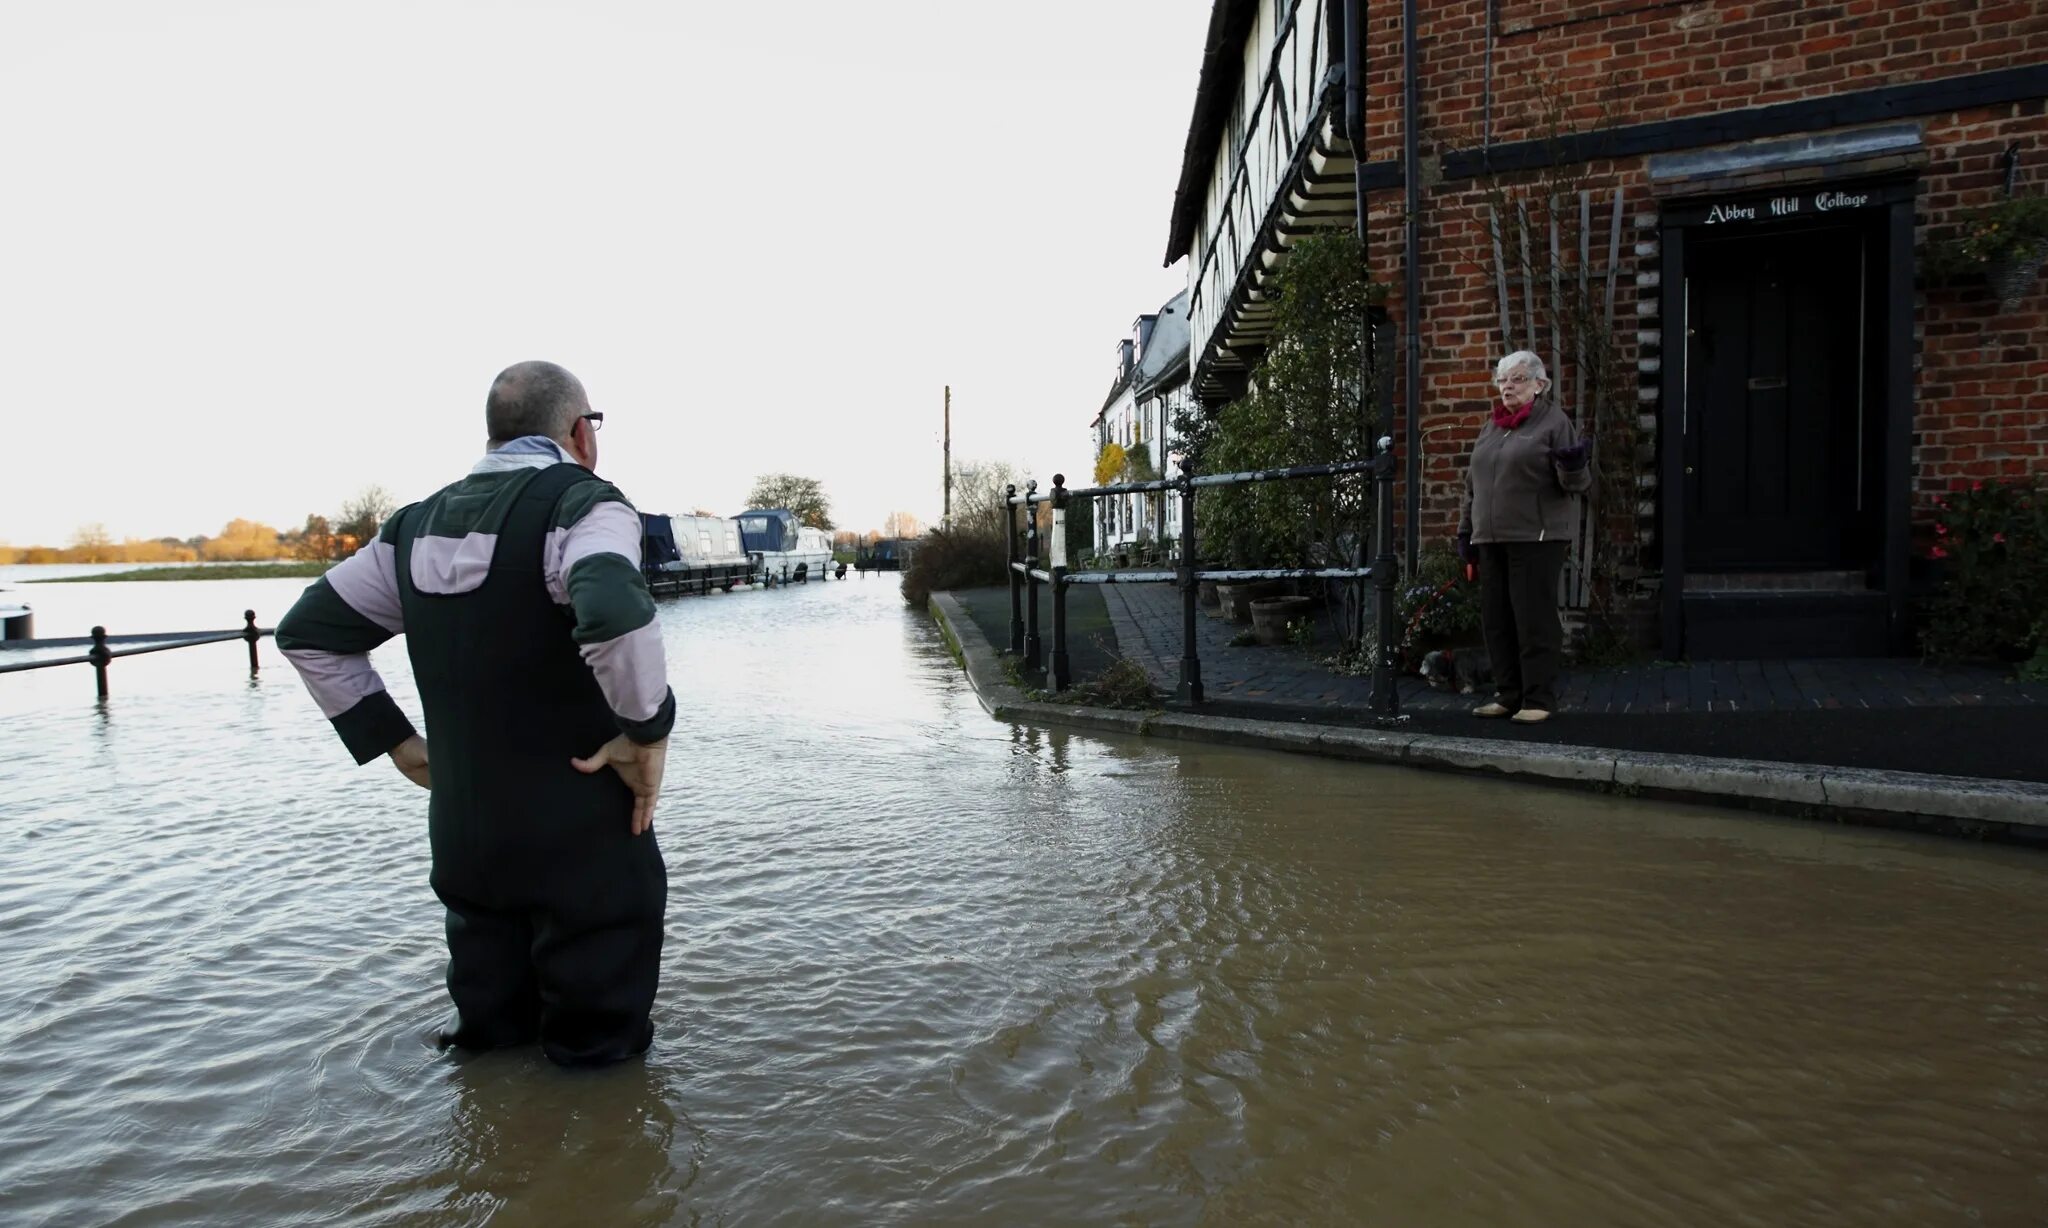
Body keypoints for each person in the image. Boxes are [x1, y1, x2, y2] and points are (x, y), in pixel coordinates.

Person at [277, 360, 673, 1067]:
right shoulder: (583, 504)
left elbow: (309, 632)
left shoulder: (411, 528)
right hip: (581, 840)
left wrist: (395, 741)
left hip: (465, 841)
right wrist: (646, 732)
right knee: (600, 1064)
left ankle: (487, 1166)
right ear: (581, 433)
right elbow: (612, 607)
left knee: (488, 1048)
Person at [1456, 350, 1591, 724]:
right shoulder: (1492, 427)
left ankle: (1539, 699)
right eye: (1503, 380)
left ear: (1539, 384)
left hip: (1537, 536)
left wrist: (1574, 464)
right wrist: (1466, 532)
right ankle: (1508, 693)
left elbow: (1576, 484)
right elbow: (1472, 487)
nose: (1508, 387)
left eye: (1517, 379)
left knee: (1533, 619)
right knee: (1496, 620)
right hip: (1490, 538)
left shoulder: (1553, 422)